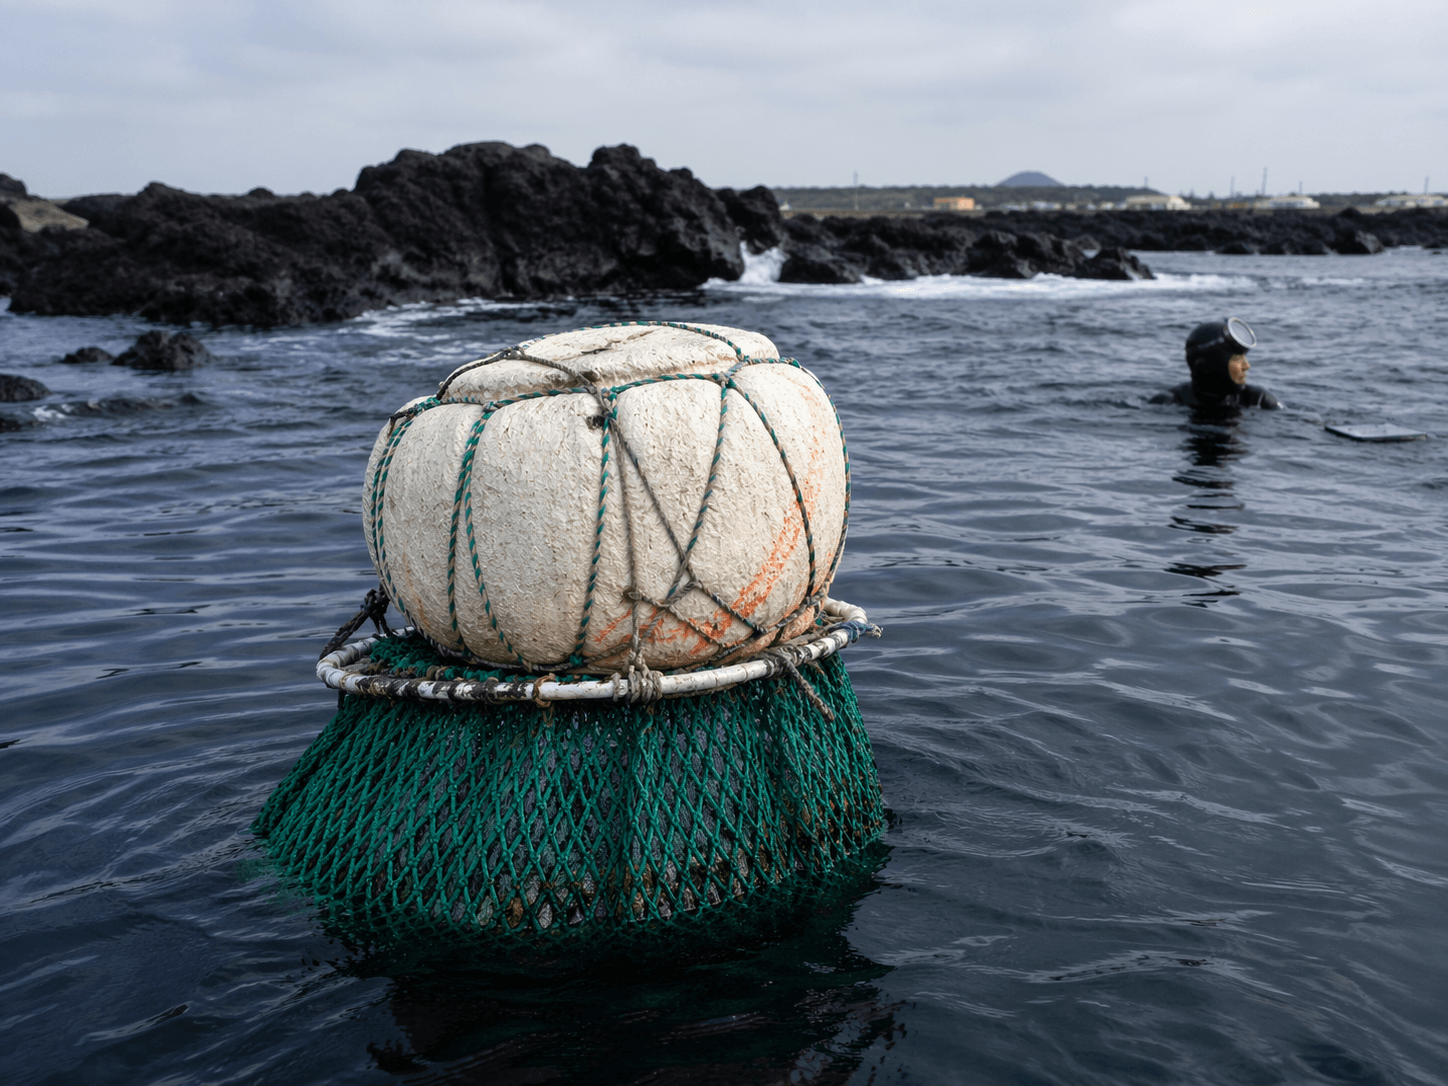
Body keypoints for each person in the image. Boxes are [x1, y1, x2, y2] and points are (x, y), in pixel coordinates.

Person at [1150, 317, 1280, 409]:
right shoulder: (1170, 402)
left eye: (1244, 357)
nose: (1246, 366)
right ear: (1204, 367)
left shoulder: (1258, 400)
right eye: (1237, 359)